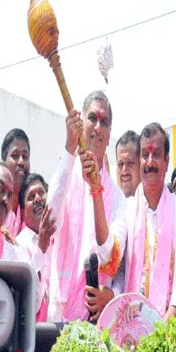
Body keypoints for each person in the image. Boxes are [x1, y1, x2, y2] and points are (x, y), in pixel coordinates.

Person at [46, 90, 127, 322]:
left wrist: (97, 191)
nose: (98, 127)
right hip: (59, 312)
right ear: (81, 123)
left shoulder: (118, 197)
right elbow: (50, 218)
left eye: (104, 122)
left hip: (95, 315)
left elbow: (108, 255)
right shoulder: (66, 173)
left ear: (110, 134)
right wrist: (69, 148)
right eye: (92, 118)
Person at [123, 123, 176, 320]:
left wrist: (169, 317)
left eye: (156, 155)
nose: (150, 162)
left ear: (166, 160)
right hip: (129, 321)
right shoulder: (126, 208)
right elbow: (118, 270)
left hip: (167, 320)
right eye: (145, 154)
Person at [15, 173, 55, 322]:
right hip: (37, 335)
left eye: (41, 193)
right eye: (31, 197)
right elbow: (29, 304)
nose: (38, 198)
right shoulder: (19, 246)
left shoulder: (60, 236)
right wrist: (41, 250)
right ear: (23, 213)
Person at [1, 128, 30, 236]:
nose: (21, 162)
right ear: (4, 163)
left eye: (25, 156)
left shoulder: (32, 212)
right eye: (15, 156)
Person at [115, 130, 140, 198]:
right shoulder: (109, 205)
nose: (124, 171)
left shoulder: (154, 205)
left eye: (130, 163)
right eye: (120, 164)